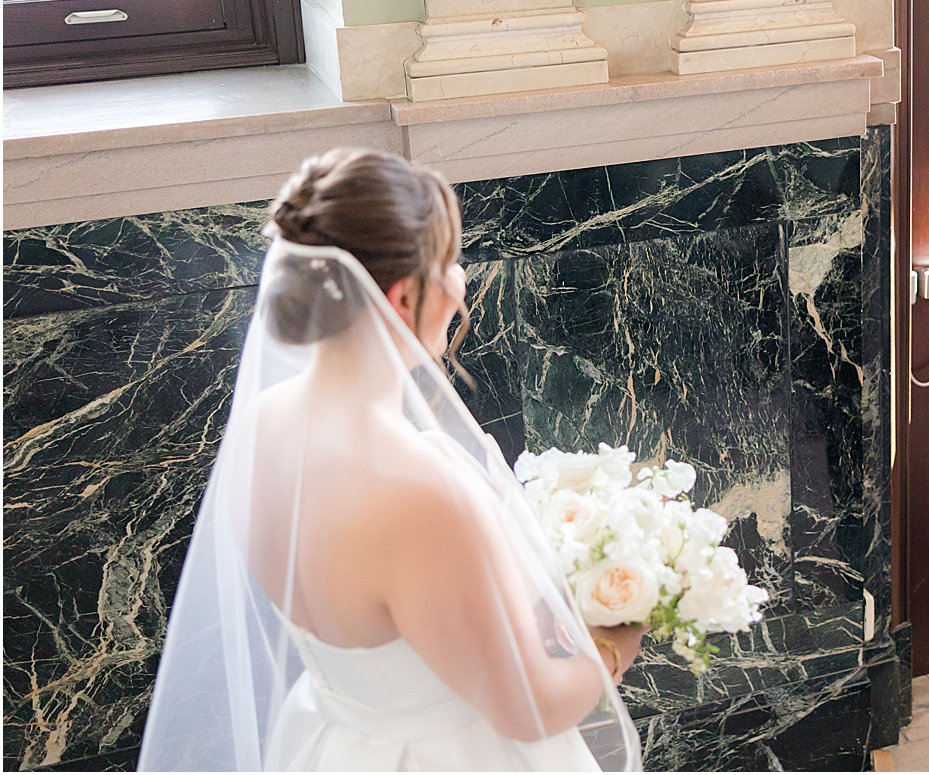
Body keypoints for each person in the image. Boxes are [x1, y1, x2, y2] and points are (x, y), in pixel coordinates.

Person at [140, 149, 646, 771]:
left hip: (332, 738)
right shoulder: (421, 494)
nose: (460, 283)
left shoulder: (261, 422)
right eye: (450, 263)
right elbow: (530, 709)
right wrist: (618, 642)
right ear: (403, 297)